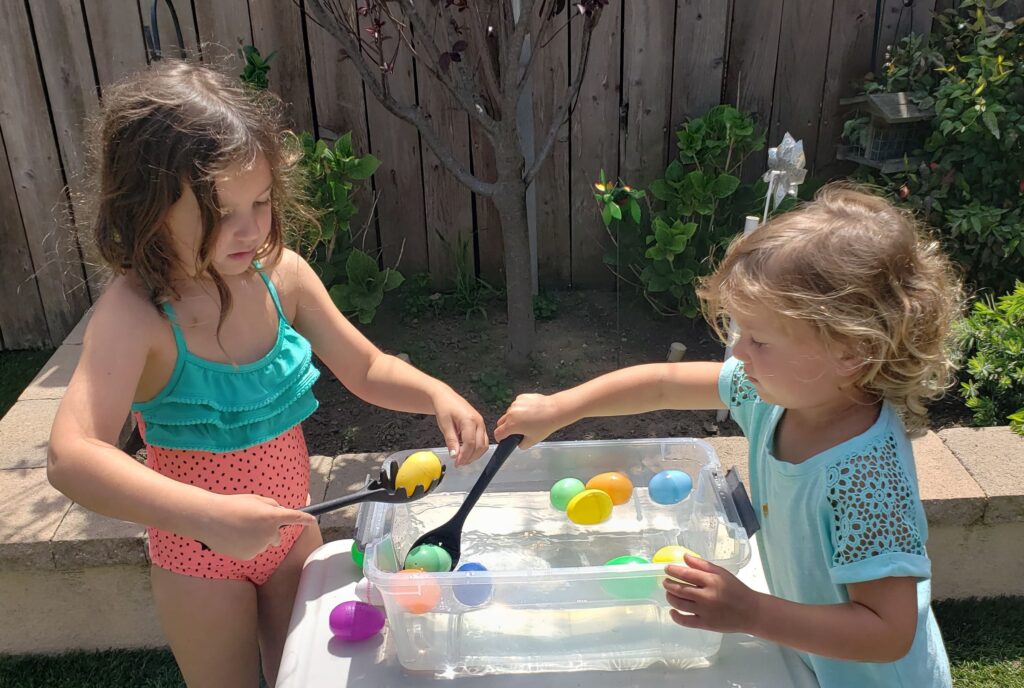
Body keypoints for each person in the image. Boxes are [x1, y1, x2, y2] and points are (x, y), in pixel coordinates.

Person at [47, 61, 487, 688]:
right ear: (149, 208)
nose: (250, 228)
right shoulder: (137, 314)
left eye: (259, 202)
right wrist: (206, 516)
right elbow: (70, 456)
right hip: (197, 557)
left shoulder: (283, 276)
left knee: (307, 676)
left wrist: (433, 391)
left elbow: (365, 367)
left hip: (290, 535)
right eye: (221, 212)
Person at [495, 184, 959, 686]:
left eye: (759, 340)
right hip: (810, 655)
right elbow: (663, 383)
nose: (739, 354)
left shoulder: (867, 479)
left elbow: (888, 632)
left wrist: (752, 612)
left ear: (851, 350)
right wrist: (561, 407)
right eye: (739, 333)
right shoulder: (777, 395)